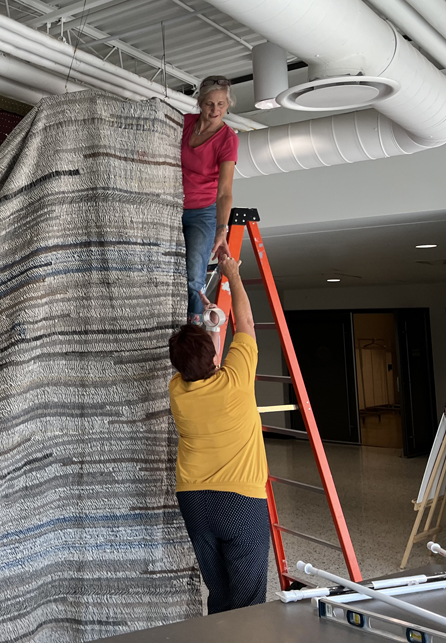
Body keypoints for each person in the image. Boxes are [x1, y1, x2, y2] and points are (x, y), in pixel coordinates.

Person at [168, 257, 268, 613]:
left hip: (195, 502)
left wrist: (213, 323)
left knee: (220, 596)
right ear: (213, 358)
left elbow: (202, 364)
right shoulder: (237, 380)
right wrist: (233, 275)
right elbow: (248, 323)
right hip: (240, 501)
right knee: (249, 601)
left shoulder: (178, 391)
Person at [182, 75, 239, 324]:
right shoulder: (185, 123)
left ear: (227, 105)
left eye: (221, 104)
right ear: (200, 103)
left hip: (202, 211)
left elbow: (224, 191)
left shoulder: (228, 139)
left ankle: (192, 328)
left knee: (194, 274)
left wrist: (221, 229)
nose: (215, 110)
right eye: (209, 104)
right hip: (171, 206)